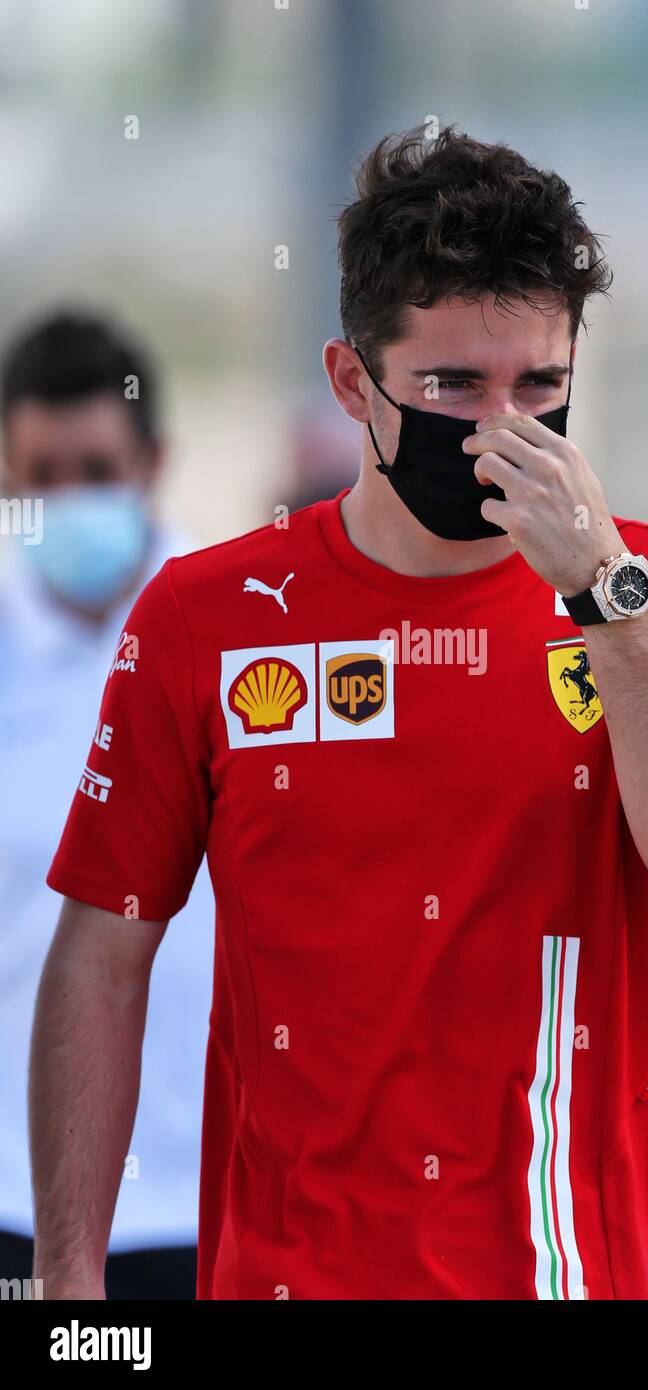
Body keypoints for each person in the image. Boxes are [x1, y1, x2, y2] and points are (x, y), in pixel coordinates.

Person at [33, 128, 648, 1302]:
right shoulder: (206, 612)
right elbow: (99, 959)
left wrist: (605, 599)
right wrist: (67, 1288)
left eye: (539, 387)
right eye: (451, 387)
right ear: (351, 383)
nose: (499, 427)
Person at [0, 310, 213, 1298]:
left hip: (216, 1193)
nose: (69, 501)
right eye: (41, 476)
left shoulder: (241, 637)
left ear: (154, 460)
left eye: (97, 470)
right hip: (16, 1203)